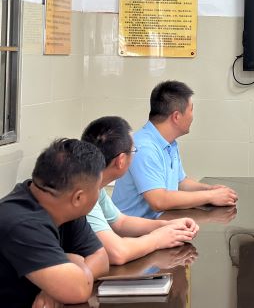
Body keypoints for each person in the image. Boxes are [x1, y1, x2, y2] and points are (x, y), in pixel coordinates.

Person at [0, 138, 110, 307]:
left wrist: (54, 289)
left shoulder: (64, 206)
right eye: (98, 188)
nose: (99, 193)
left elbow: (101, 259)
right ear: (78, 198)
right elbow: (79, 290)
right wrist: (73, 261)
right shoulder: (21, 223)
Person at [82, 115, 201, 265]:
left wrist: (168, 226)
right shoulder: (83, 192)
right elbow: (117, 253)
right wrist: (157, 239)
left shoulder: (93, 182)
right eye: (133, 151)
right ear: (121, 161)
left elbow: (120, 222)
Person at [113, 80, 238, 219]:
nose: (192, 116)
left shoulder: (169, 143)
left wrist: (210, 189)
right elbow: (159, 201)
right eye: (191, 110)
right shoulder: (144, 147)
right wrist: (210, 196)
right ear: (176, 116)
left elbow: (181, 183)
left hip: (159, 224)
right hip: (132, 231)